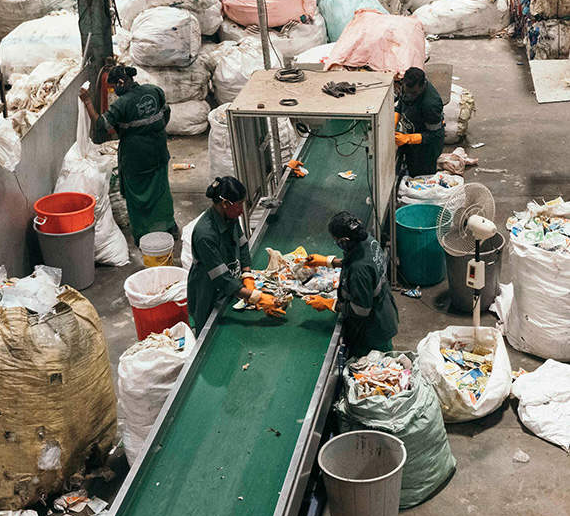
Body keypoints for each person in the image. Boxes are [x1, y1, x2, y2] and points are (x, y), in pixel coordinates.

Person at [79, 65, 177, 244]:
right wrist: (156, 131)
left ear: (122, 82)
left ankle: (143, 235)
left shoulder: (122, 104)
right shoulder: (154, 91)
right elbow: (166, 113)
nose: (115, 91)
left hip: (136, 157)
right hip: (158, 151)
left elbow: (102, 125)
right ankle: (169, 227)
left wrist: (87, 102)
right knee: (161, 192)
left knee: (138, 198)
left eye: (115, 86)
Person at [187, 176, 285, 336]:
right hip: (209, 288)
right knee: (208, 332)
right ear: (225, 203)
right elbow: (221, 278)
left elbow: (242, 245)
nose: (242, 210)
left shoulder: (229, 217)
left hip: (230, 281)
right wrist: (257, 297)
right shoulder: (205, 235)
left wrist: (247, 276)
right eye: (239, 205)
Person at [304, 212, 399, 357]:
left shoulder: (359, 271)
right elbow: (356, 259)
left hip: (372, 328)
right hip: (384, 310)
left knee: (376, 365)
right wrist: (328, 262)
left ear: (344, 240)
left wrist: (330, 304)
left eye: (335, 240)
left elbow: (361, 310)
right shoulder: (368, 241)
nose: (335, 243)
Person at [395, 66, 445, 177]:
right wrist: (395, 116)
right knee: (410, 167)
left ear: (422, 85)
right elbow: (401, 103)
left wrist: (408, 139)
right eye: (407, 91)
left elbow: (434, 135)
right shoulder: (408, 87)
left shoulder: (431, 104)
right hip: (412, 135)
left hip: (426, 151)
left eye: (413, 93)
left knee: (421, 178)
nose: (410, 95)